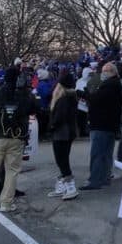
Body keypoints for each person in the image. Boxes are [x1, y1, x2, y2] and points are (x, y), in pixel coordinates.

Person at [0, 66, 36, 213]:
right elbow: (35, 109)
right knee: (12, 171)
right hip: (17, 136)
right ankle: (6, 203)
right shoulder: (25, 94)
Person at [81, 62, 122, 190]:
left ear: (111, 72)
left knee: (98, 153)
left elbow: (97, 100)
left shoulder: (110, 85)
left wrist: (84, 94)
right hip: (108, 124)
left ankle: (95, 180)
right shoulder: (115, 84)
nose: (102, 74)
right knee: (105, 153)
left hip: (101, 124)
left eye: (105, 71)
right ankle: (104, 177)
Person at [46, 72, 79, 200]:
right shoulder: (71, 97)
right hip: (67, 132)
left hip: (62, 132)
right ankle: (63, 185)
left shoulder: (63, 99)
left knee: (61, 159)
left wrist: (52, 126)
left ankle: (70, 186)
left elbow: (60, 117)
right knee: (62, 158)